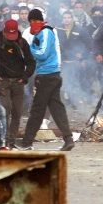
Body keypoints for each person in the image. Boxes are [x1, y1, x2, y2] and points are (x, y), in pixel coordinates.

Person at [17, 9, 75, 152]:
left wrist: (28, 50)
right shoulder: (40, 33)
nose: (33, 24)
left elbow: (42, 54)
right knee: (56, 108)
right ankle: (68, 139)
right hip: (50, 75)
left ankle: (27, 142)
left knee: (37, 109)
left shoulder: (46, 32)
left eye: (34, 21)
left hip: (47, 76)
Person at [0, 19, 35, 147]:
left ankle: (11, 141)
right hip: (3, 82)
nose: (11, 38)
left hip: (18, 82)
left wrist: (25, 76)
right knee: (5, 109)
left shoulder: (22, 43)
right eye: (9, 35)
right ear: (4, 31)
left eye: (14, 35)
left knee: (17, 112)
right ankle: (5, 139)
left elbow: (31, 62)